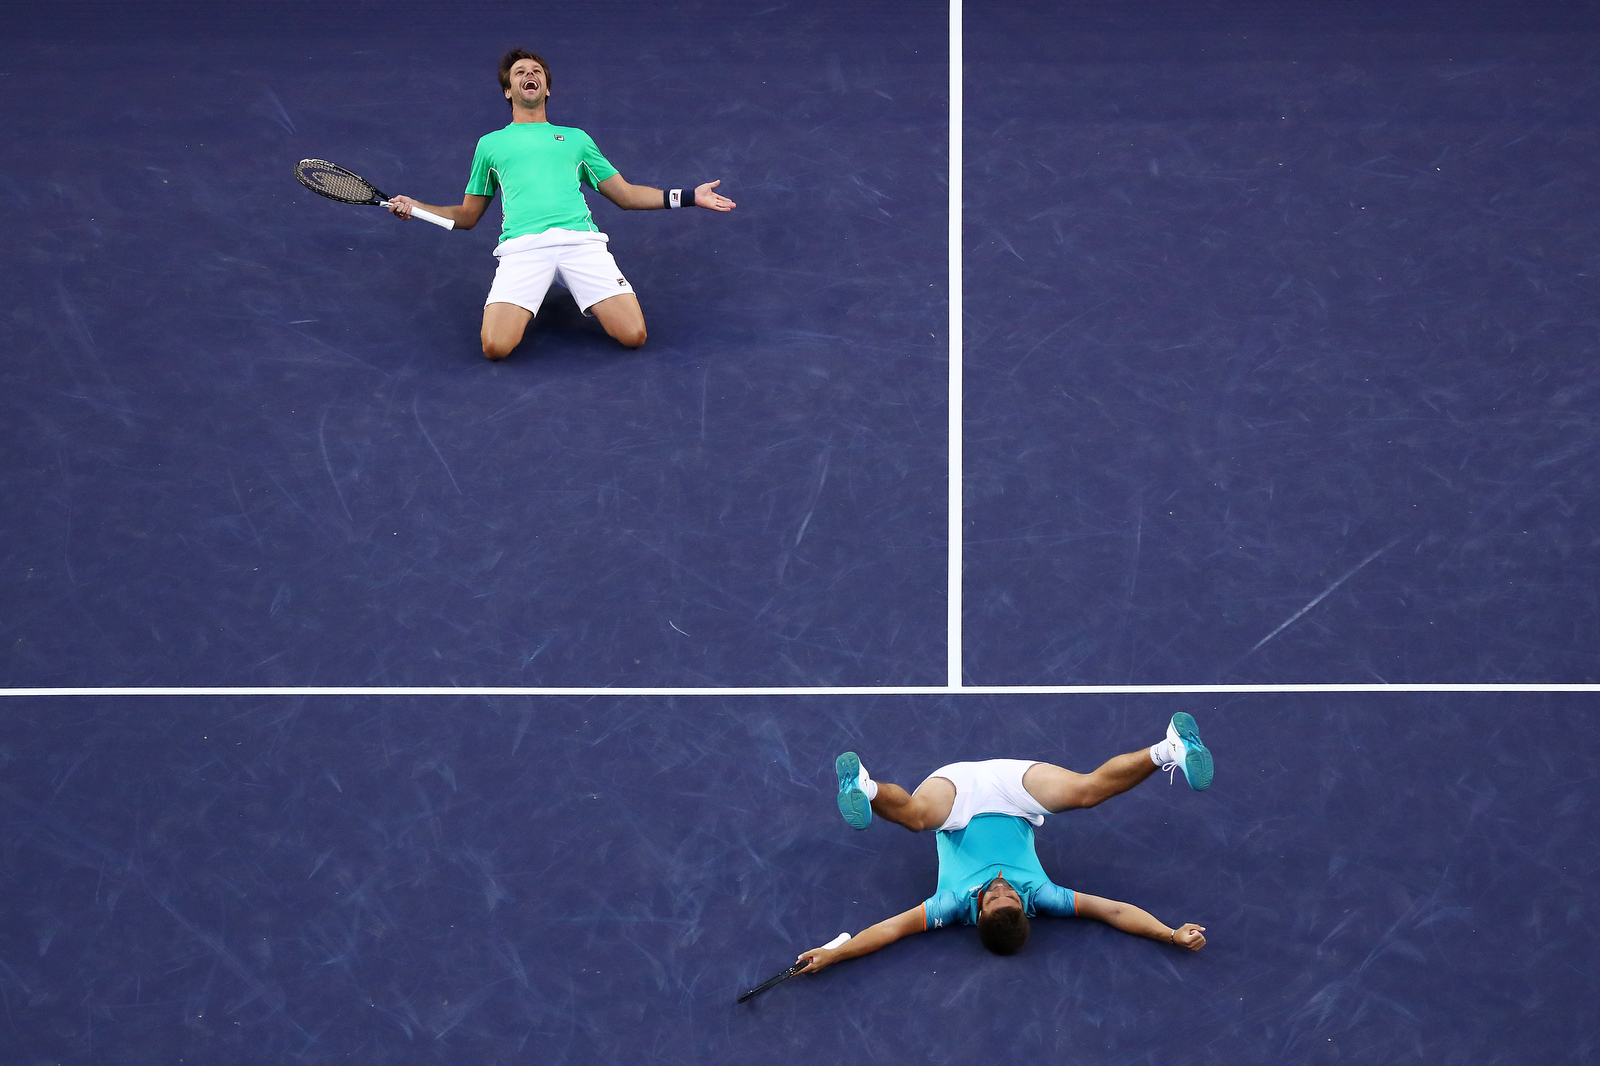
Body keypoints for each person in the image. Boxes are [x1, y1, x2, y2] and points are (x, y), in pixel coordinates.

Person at [385, 48, 737, 359]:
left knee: (634, 335)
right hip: (523, 250)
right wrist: (416, 207)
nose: (530, 75)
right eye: (520, 72)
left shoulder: (576, 140)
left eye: (537, 71)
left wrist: (690, 196)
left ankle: (574, 282)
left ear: (547, 89)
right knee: (495, 347)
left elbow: (626, 196)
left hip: (580, 245)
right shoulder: (490, 145)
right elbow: (467, 216)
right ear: (509, 91)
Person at [797, 714, 1214, 973]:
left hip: (956, 798)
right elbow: (1114, 910)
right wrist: (1169, 935)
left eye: (995, 899)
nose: (1002, 888)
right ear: (1024, 909)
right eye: (1010, 897)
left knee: (917, 818)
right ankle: (1169, 747)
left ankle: (864, 786)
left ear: (978, 916)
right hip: (1016, 796)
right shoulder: (1043, 897)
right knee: (1087, 792)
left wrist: (837, 953)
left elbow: (890, 930)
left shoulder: (949, 905)